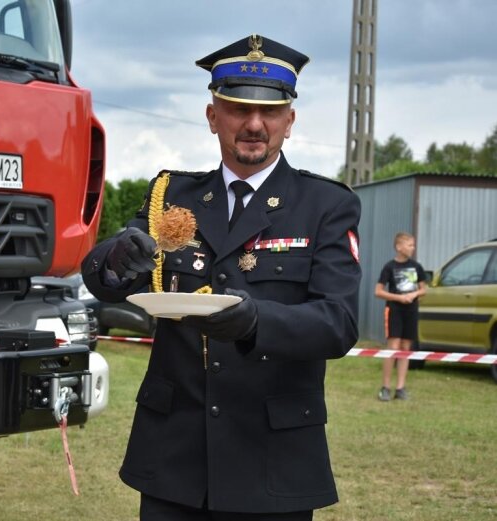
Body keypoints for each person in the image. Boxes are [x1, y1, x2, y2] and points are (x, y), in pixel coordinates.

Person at [81, 34, 362, 520]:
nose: (254, 124)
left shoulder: (327, 206)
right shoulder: (173, 195)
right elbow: (104, 279)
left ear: (289, 122)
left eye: (270, 112)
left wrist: (257, 322)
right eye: (236, 109)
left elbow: (338, 323)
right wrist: (117, 257)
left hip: (273, 463)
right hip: (175, 460)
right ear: (213, 117)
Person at [374, 232, 427, 401]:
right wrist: (399, 298)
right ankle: (385, 387)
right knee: (394, 346)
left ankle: (400, 387)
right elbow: (378, 291)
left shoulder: (417, 267)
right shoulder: (389, 267)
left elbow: (423, 289)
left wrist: (414, 295)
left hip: (411, 311)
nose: (413, 248)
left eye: (413, 245)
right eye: (410, 245)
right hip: (394, 310)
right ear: (399, 247)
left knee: (405, 347)